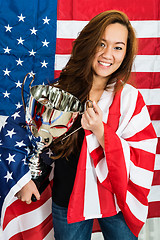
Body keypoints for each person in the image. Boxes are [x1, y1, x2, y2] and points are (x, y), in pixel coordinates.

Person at [15, 10, 157, 239]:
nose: (108, 54)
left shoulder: (130, 99)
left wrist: (101, 131)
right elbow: (31, 138)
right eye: (101, 43)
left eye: (118, 47)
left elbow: (143, 154)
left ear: (125, 54)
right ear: (88, 43)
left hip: (114, 197)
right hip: (69, 196)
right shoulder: (59, 91)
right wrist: (27, 178)